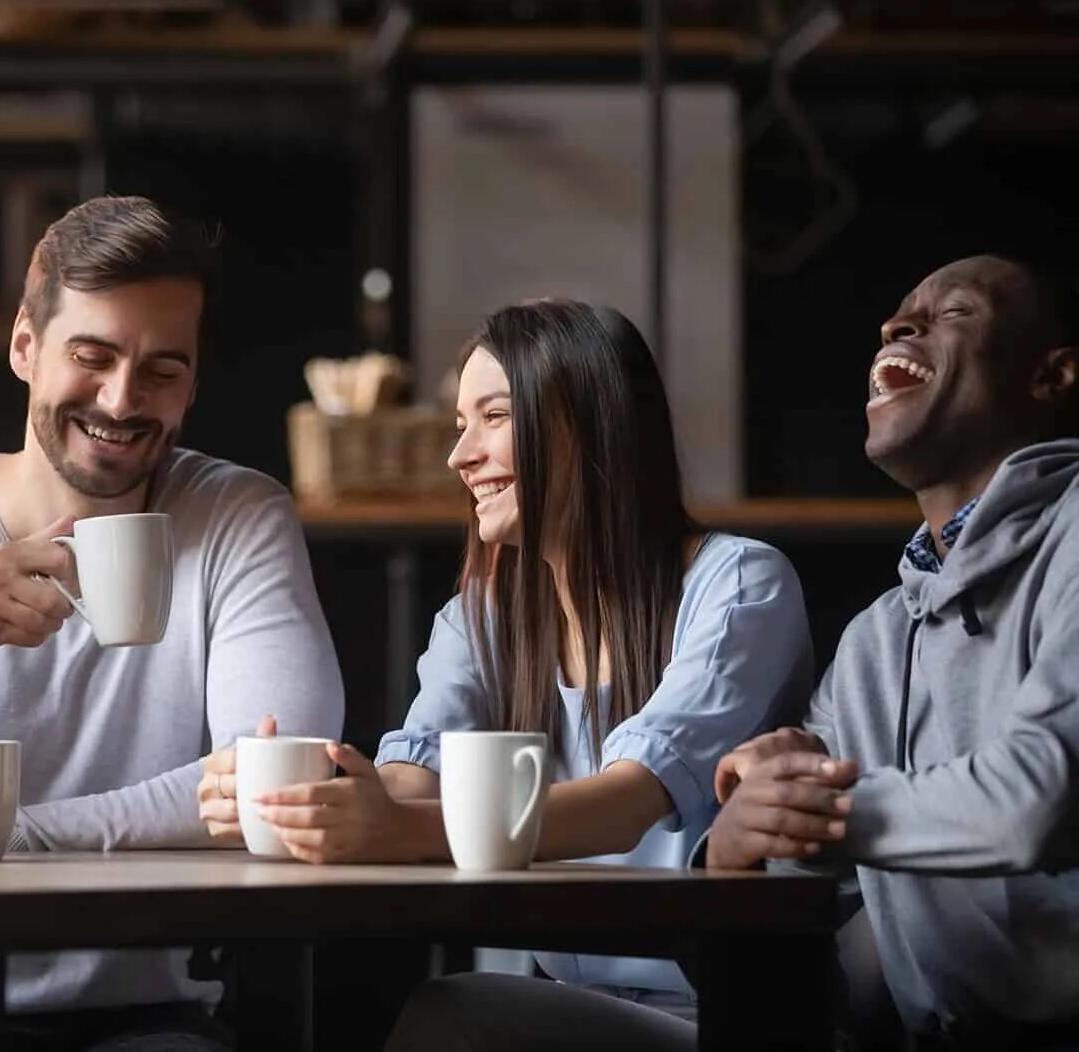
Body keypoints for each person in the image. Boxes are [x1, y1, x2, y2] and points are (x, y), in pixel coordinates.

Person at [200, 298, 815, 1049]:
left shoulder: (741, 584)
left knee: (450, 1017)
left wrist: (393, 829)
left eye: (493, 417)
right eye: (462, 425)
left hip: (726, 1015)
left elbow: (632, 799)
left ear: (592, 423)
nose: (460, 456)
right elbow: (411, 777)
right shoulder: (484, 613)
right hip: (574, 1000)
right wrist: (301, 797)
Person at [0, 195, 345, 1051]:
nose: (123, 398)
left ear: (195, 381)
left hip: (146, 1009)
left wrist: (11, 835)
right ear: (25, 346)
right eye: (91, 356)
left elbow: (276, 776)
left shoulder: (238, 514)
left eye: (162, 370)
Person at [708, 255, 1079, 1050]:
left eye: (956, 313)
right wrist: (741, 835)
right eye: (900, 313)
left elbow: (1040, 796)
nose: (897, 327)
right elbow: (803, 873)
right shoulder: (877, 639)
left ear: (1052, 376)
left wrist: (821, 810)